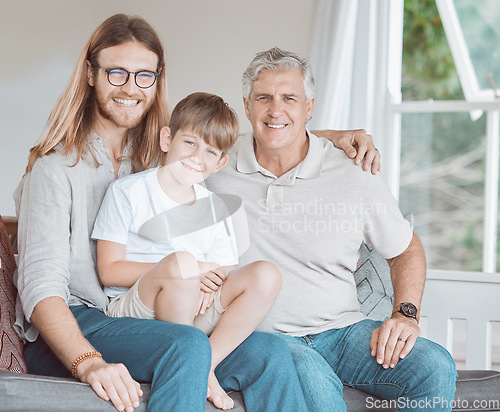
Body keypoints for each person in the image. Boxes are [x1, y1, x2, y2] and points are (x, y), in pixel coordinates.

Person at [13, 14, 379, 412]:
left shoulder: (156, 155)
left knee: (271, 352)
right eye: (116, 73)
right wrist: (88, 363)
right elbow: (41, 288)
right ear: (91, 74)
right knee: (185, 343)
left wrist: (332, 137)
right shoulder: (54, 169)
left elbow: (223, 143)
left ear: (157, 81)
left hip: (144, 317)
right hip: (78, 325)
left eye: (144, 76)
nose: (130, 88)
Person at [205, 47, 458, 412]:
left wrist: (405, 313)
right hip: (261, 337)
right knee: (317, 389)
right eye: (264, 98)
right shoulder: (215, 165)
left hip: (342, 333)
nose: (276, 110)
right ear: (247, 106)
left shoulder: (352, 170)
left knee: (434, 366)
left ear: (309, 107)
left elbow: (405, 248)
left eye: (289, 98)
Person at [92, 91, 285, 410]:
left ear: (221, 162)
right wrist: (188, 268)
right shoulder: (129, 192)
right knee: (181, 263)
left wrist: (209, 277)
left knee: (266, 274)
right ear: (167, 138)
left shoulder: (214, 206)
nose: (197, 157)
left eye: (210, 151)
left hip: (195, 307)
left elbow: (223, 269)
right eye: (190, 143)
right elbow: (109, 269)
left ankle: (206, 363)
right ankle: (190, 361)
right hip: (137, 307)